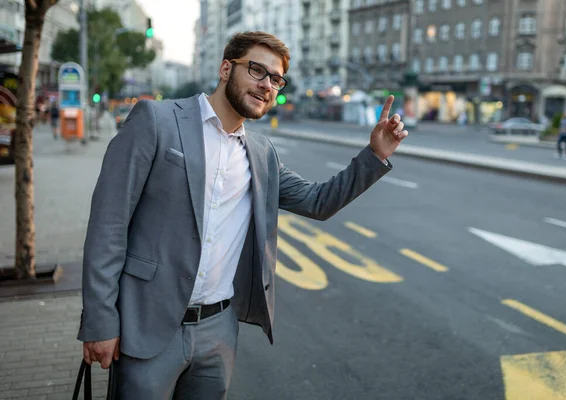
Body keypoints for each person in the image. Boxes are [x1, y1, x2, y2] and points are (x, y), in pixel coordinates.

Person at [78, 31, 408, 399]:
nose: (267, 85)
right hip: (147, 327)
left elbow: (318, 201)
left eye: (276, 79)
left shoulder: (262, 153)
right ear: (225, 68)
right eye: (256, 70)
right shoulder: (156, 120)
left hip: (218, 333)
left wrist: (374, 154)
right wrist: (100, 320)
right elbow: (108, 225)